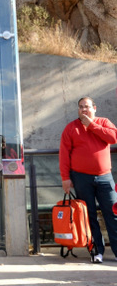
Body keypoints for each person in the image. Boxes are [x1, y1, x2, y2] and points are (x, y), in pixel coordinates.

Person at [59, 96, 117, 263]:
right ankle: (96, 252)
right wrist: (65, 178)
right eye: (81, 107)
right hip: (81, 178)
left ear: (95, 108)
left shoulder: (104, 122)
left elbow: (113, 138)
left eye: (87, 106)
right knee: (88, 216)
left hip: (105, 177)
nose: (84, 109)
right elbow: (64, 155)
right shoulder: (71, 128)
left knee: (113, 214)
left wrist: (91, 125)